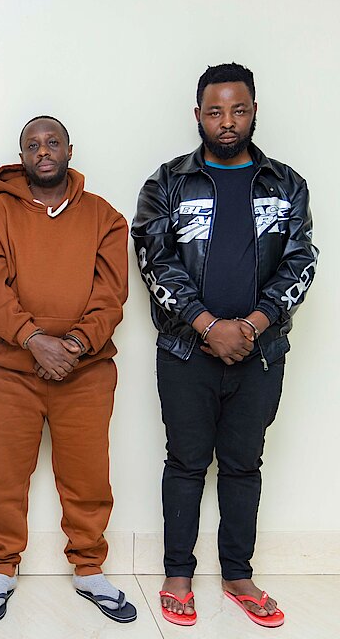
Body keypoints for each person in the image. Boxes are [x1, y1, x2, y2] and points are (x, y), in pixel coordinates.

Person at [132, 62, 317, 629]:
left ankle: (238, 574)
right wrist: (208, 325)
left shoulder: (287, 184)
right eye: (215, 112)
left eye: (238, 110)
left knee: (243, 464)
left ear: (254, 111)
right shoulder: (166, 183)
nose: (227, 122)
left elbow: (301, 261)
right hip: (186, 352)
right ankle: (178, 574)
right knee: (185, 463)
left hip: (261, 354)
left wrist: (253, 326)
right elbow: (154, 259)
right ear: (198, 115)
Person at [0, 116, 136, 624]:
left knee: (88, 476)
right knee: (3, 476)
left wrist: (74, 345)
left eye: (52, 142)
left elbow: (111, 295)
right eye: (32, 145)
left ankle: (89, 569)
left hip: (85, 372)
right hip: (9, 371)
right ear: (21, 156)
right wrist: (34, 341)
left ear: (69, 150)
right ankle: (1, 568)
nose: (43, 151)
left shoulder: (105, 217)